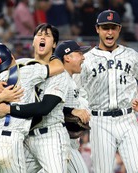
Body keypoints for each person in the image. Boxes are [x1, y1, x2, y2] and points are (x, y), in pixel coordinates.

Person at [75, 9, 138, 172]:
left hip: (128, 119)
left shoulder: (130, 54)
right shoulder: (87, 60)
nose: (109, 32)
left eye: (113, 27)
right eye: (105, 27)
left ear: (119, 29)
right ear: (97, 29)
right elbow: (75, 90)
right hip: (100, 120)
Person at [0, 23, 71, 173]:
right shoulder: (21, 64)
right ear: (33, 41)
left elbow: (45, 107)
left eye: (47, 36)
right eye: (39, 35)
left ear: (54, 44)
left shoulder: (60, 74)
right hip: (24, 137)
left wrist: (8, 109)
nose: (42, 37)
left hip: (49, 135)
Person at [54, 40, 90, 173]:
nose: (83, 57)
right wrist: (72, 111)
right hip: (60, 142)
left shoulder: (70, 80)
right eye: (79, 54)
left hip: (68, 142)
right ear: (67, 57)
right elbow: (51, 109)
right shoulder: (60, 79)